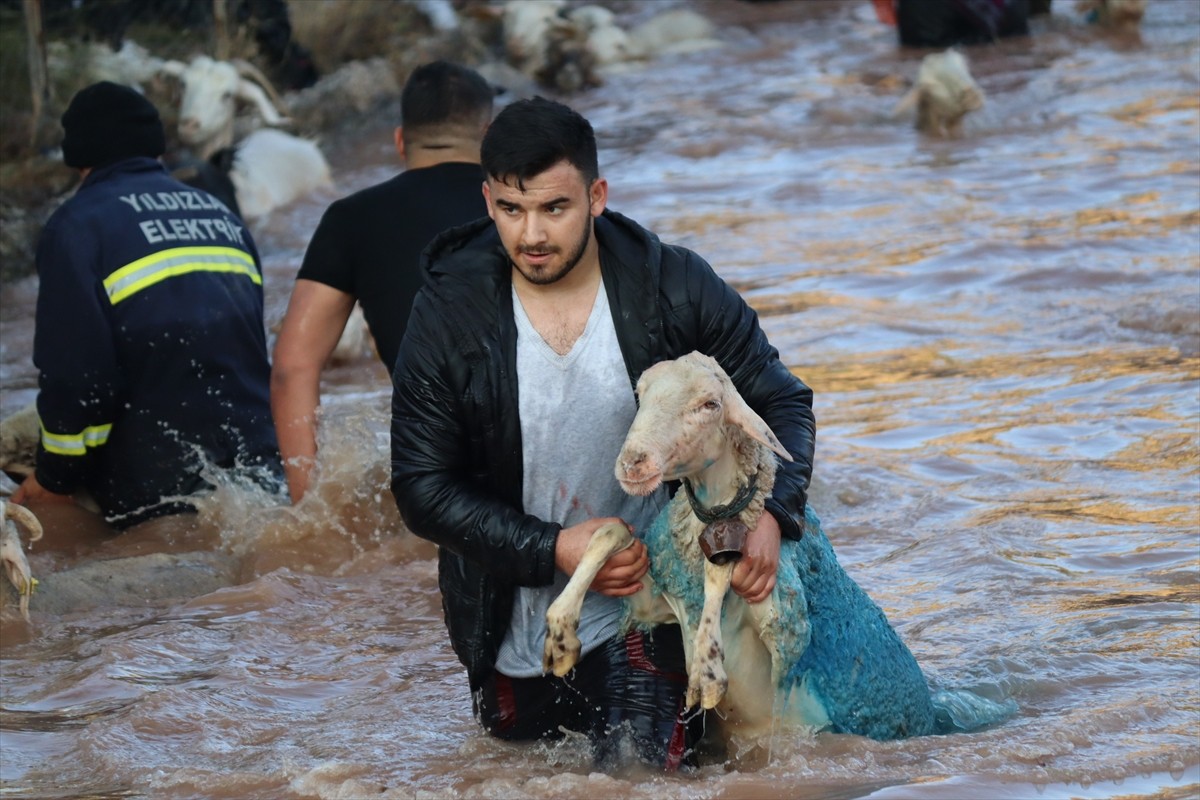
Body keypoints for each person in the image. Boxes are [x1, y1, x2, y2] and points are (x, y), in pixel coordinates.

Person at [389, 97, 817, 770]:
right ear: (486, 198)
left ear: (596, 196)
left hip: (651, 610)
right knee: (515, 777)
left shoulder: (671, 285)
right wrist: (551, 547)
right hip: (512, 625)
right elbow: (420, 486)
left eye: (554, 209)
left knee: (634, 778)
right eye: (510, 209)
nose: (530, 233)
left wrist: (772, 516)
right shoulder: (448, 313)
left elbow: (781, 402)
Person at [12, 81, 282, 531]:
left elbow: (80, 380)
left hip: (157, 486)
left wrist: (54, 480)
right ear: (156, 146)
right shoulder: (219, 213)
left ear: (78, 157)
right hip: (259, 465)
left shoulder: (76, 226)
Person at [271, 60, 494, 503]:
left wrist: (309, 517)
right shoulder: (529, 209)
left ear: (398, 140)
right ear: (489, 140)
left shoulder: (351, 218)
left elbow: (291, 369)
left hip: (434, 469)